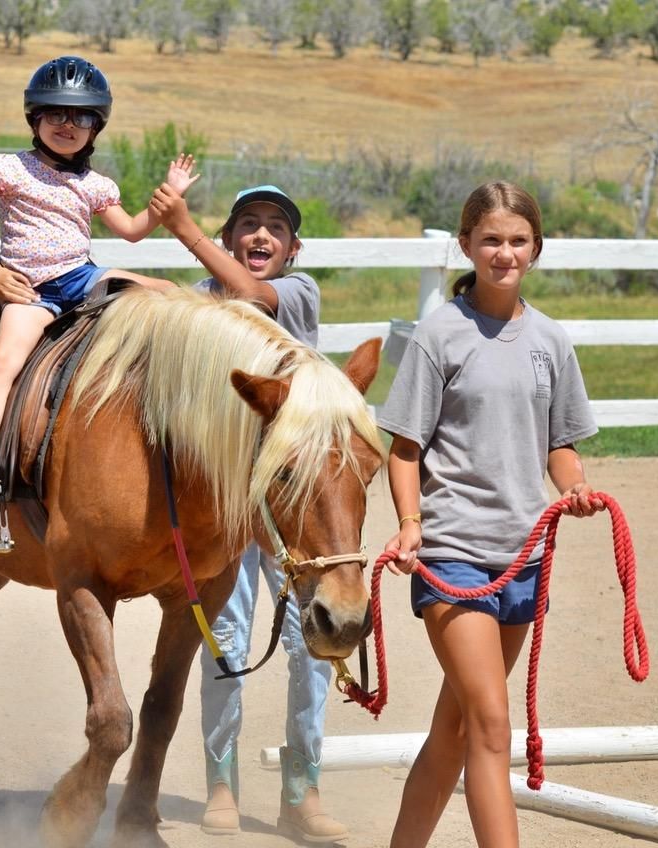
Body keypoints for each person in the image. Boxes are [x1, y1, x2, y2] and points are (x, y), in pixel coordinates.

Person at [376, 181, 604, 848]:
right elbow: (404, 448)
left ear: (537, 248)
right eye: (491, 240)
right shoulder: (440, 336)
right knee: (491, 726)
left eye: (517, 240)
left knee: (455, 730)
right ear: (466, 246)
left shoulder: (551, 342)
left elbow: (559, 444)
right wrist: (412, 525)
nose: (505, 253)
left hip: (522, 558)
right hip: (453, 557)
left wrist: (575, 487)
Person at [148, 179, 350, 844]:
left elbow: (254, 295)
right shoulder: (201, 307)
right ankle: (221, 785)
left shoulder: (296, 294)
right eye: (248, 224)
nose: (261, 235)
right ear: (233, 236)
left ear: (294, 249)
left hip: (294, 507)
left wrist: (183, 227)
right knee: (225, 646)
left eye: (275, 228)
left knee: (309, 646)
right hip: (230, 513)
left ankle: (302, 789)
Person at [0, 55, 195, 493]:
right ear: (34, 118)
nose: (67, 124)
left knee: (169, 292)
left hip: (79, 276)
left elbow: (131, 230)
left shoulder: (95, 185)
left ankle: (181, 415)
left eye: (81, 116)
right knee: (5, 362)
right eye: (56, 113)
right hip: (30, 288)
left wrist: (168, 197)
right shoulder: (9, 167)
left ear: (95, 128)